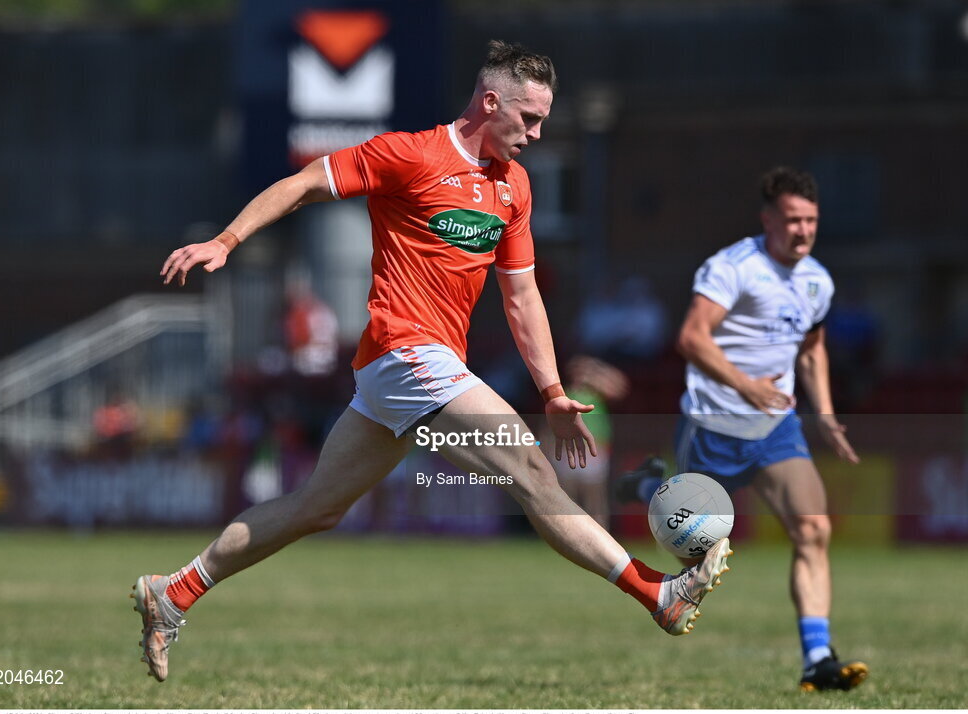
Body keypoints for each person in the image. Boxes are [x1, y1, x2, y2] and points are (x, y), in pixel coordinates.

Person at [132, 40, 731, 683]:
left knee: (316, 508)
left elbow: (521, 295)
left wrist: (553, 390)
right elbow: (305, 183)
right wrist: (226, 240)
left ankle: (174, 591)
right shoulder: (409, 154)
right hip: (404, 350)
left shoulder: (514, 186)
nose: (535, 134)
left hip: (408, 370)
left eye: (542, 123)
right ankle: (657, 595)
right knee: (531, 470)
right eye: (527, 119)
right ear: (490, 101)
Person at [616, 167, 866, 692]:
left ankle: (818, 658)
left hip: (777, 427)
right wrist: (745, 385)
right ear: (768, 220)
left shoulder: (817, 279)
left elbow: (813, 347)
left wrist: (822, 414)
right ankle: (646, 485)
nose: (802, 231)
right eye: (793, 220)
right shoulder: (733, 267)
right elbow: (691, 337)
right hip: (711, 426)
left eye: (811, 221)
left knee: (814, 529)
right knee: (690, 552)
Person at [548, 355, 629, 529]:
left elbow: (620, 387)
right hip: (569, 452)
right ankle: (569, 533)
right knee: (569, 498)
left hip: (594, 451)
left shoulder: (597, 393)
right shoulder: (564, 394)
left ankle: (602, 533)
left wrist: (597, 373)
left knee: (595, 499)